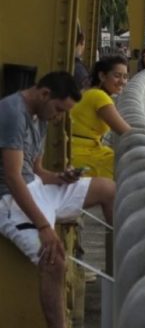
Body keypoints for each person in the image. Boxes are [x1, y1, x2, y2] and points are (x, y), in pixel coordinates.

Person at [0, 71, 115, 328]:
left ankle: (119, 275)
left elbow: (37, 171)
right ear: (44, 94)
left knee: (109, 189)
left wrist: (61, 178)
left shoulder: (39, 114)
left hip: (36, 188)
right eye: (59, 109)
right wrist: (43, 227)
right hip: (9, 201)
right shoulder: (12, 114)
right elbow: (13, 178)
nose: (59, 117)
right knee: (54, 261)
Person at [70, 55, 131, 179]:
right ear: (102, 76)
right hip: (82, 156)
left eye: (125, 77)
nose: (122, 81)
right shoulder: (99, 96)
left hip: (78, 151)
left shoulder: (89, 91)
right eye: (117, 76)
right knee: (128, 168)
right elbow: (126, 132)